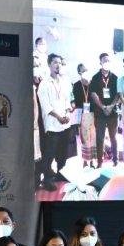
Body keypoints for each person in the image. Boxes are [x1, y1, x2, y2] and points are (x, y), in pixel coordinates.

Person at [37, 53, 72, 190]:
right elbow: (46, 106)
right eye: (55, 62)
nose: (58, 65)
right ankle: (47, 180)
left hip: (65, 124)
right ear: (49, 64)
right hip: (52, 125)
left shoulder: (64, 81)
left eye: (60, 63)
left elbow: (67, 100)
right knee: (49, 154)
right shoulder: (44, 84)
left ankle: (61, 174)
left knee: (62, 153)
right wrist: (58, 117)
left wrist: (67, 113)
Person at [90, 53, 119, 168]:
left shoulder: (115, 77)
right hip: (99, 112)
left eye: (108, 60)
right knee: (100, 138)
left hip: (112, 112)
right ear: (100, 63)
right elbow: (93, 94)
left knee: (113, 137)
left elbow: (118, 94)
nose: (107, 62)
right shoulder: (95, 77)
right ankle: (100, 162)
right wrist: (103, 107)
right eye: (104, 61)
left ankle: (115, 160)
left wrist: (111, 106)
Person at [72, 63, 96, 168]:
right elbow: (75, 101)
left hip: (92, 114)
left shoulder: (92, 84)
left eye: (86, 70)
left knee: (92, 138)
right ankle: (85, 161)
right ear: (79, 73)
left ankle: (92, 161)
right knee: (84, 139)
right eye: (83, 70)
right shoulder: (76, 85)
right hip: (82, 116)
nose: (85, 72)